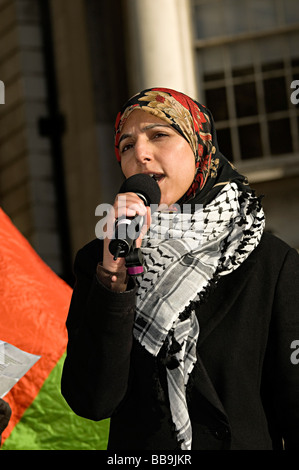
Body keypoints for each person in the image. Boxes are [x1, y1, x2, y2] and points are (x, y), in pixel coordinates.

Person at [61, 87, 299, 450]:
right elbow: (92, 400)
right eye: (126, 146)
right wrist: (113, 281)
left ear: (200, 147)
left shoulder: (267, 260)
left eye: (159, 135)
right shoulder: (101, 258)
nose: (140, 153)